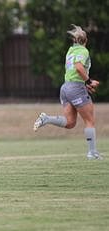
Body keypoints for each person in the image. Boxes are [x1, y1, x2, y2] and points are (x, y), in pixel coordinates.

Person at [33, 24, 102, 160]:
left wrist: (84, 83)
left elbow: (74, 70)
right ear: (85, 41)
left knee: (70, 122)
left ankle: (46, 119)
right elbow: (78, 68)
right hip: (76, 88)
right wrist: (88, 82)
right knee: (90, 120)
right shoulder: (83, 51)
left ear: (74, 41)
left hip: (65, 88)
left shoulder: (70, 51)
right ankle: (92, 153)